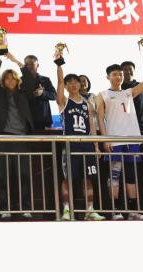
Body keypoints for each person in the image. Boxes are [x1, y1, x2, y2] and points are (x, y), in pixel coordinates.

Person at [97, 57, 143, 221]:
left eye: (120, 74)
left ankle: (133, 211)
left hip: (132, 140)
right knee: (114, 176)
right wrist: (105, 140)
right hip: (115, 141)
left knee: (131, 176)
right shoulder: (103, 95)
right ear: (108, 77)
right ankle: (115, 211)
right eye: (115, 74)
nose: (119, 77)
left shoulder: (129, 92)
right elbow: (100, 119)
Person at [0, 53, 35, 220]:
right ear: (3, 81)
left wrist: (16, 61)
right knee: (2, 175)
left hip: (21, 139)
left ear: (17, 80)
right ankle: (4, 207)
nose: (10, 81)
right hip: (2, 138)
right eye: (7, 79)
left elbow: (30, 81)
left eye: (13, 78)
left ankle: (25, 207)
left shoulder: (23, 93)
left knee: (24, 175)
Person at [57, 65, 104, 221]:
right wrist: (59, 64)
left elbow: (92, 126)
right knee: (68, 178)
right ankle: (66, 211)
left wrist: (96, 146)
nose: (73, 84)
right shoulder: (64, 101)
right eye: (69, 82)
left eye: (75, 81)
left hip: (87, 144)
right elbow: (59, 82)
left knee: (88, 178)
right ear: (66, 86)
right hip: (71, 144)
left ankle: (90, 210)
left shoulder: (87, 104)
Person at [23, 55, 57, 130]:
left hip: (44, 121)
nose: (29, 66)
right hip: (25, 121)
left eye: (32, 64)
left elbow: (54, 95)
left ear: (37, 65)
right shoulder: (20, 81)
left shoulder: (46, 80)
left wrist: (42, 93)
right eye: (27, 64)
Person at [121, 61, 143, 132]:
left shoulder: (141, 86)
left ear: (134, 71)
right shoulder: (119, 88)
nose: (128, 72)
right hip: (125, 126)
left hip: (142, 125)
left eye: (130, 69)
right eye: (125, 70)